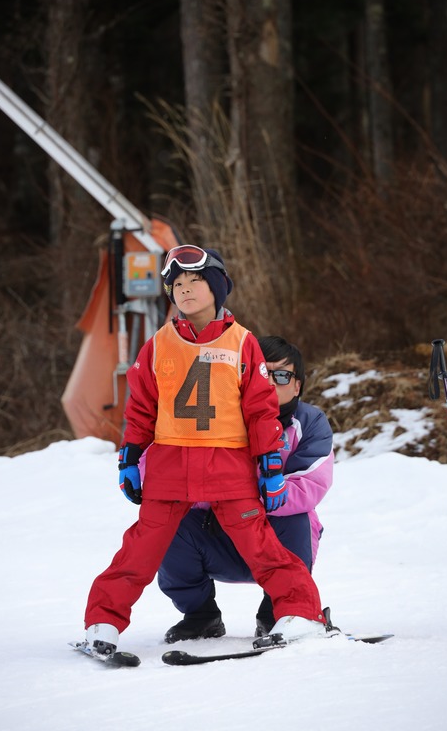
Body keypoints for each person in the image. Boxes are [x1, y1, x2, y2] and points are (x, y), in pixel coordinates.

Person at [80, 245, 327, 657]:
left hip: (228, 467)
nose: (186, 289)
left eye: (195, 281)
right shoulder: (157, 346)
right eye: (177, 284)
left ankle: (301, 612)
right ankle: (102, 621)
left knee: (263, 547)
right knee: (139, 549)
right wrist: (129, 456)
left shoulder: (243, 343)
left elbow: (261, 409)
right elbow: (140, 407)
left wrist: (268, 463)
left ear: (216, 287)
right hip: (170, 466)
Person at [156, 335, 335, 642]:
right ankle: (201, 615)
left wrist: (244, 497)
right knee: (168, 524)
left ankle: (279, 613)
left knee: (298, 515)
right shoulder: (211, 416)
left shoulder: (310, 422)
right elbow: (169, 465)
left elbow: (309, 483)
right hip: (217, 533)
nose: (270, 382)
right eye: (261, 372)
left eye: (282, 375)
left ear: (297, 386)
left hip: (276, 537)